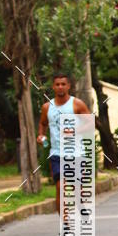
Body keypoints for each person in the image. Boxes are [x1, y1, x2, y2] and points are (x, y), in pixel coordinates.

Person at [37, 73, 91, 227]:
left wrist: (75, 130)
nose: (60, 87)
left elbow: (90, 123)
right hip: (57, 153)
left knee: (77, 189)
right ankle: (66, 224)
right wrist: (41, 136)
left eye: (63, 84)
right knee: (61, 187)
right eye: (57, 84)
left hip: (77, 153)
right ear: (53, 87)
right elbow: (42, 124)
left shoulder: (77, 104)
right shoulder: (47, 107)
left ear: (68, 86)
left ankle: (81, 206)